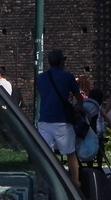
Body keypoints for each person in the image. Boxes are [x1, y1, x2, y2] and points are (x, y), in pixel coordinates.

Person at [35, 49, 83, 188]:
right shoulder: (68, 76)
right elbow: (78, 97)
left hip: (44, 119)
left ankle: (41, 184)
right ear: (62, 61)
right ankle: (75, 181)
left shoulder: (41, 78)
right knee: (70, 152)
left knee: (43, 154)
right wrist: (79, 108)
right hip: (61, 120)